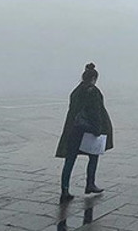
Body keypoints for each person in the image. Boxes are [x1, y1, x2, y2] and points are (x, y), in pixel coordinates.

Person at [55, 63, 114, 203]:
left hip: (73, 130)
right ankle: (90, 184)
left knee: (70, 160)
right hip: (87, 131)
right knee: (93, 156)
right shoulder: (93, 91)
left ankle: (65, 190)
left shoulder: (76, 91)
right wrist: (98, 129)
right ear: (94, 78)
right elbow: (96, 112)